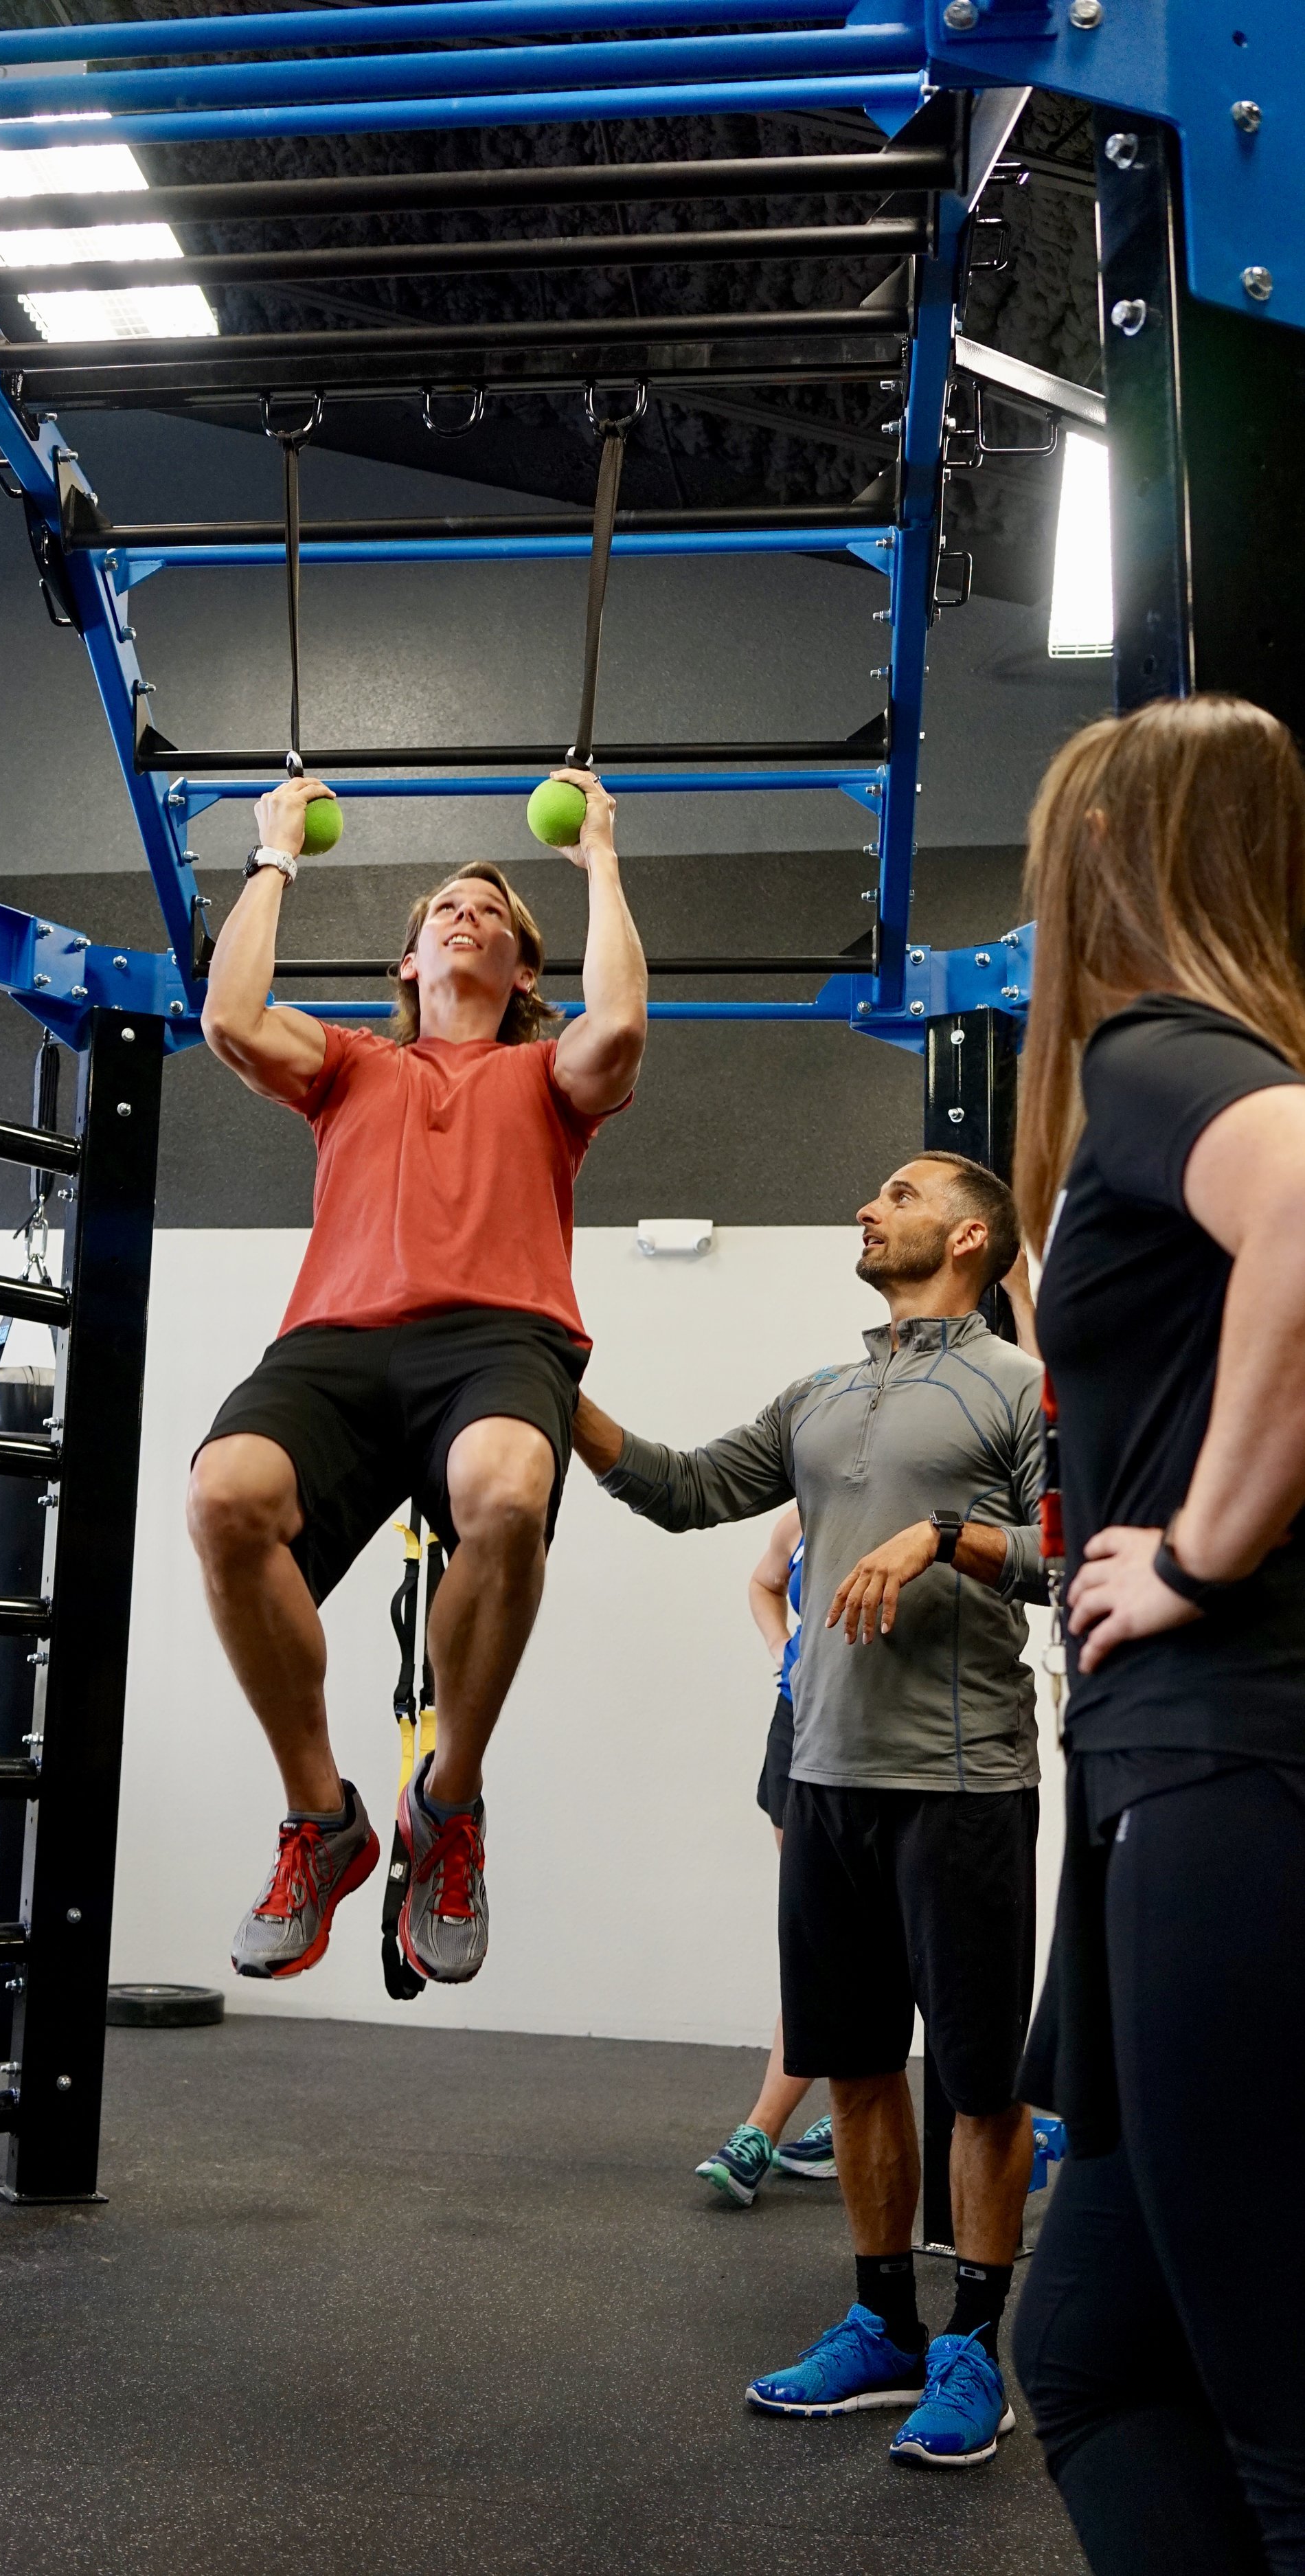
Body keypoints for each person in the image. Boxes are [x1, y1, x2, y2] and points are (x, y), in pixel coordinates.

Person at [573, 1153, 1047, 2468]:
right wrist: (547, 1385)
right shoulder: (822, 1395)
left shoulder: (1015, 1386)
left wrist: (946, 1538)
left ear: (967, 1236)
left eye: (895, 1195)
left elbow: (1072, 1549)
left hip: (963, 1782)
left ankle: (974, 2350)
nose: (865, 1207)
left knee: (977, 2081)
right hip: (826, 1775)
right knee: (852, 2063)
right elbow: (681, 1488)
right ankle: (883, 2321)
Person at [1006, 694, 1305, 2575]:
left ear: (1109, 853)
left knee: (1283, 2427)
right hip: (1166, 1775)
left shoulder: (1152, 1052)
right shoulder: (1192, 1066)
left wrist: (1201, 1542)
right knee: (1095, 2345)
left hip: (1224, 1759)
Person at [188, 768, 646, 1986]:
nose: (470, 914)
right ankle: (321, 1818)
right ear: (405, 963)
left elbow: (625, 1031)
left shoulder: (546, 1081)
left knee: (506, 1493)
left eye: (496, 914)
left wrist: (598, 857)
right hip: (335, 1341)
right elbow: (229, 1016)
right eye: (448, 906)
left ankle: (447, 1805)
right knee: (224, 1494)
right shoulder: (348, 1066)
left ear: (525, 974)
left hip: (498, 1337)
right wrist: (274, 852)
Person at [695, 1500, 837, 2205]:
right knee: (821, 1928)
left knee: (840, 1936)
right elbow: (763, 1583)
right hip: (797, 1722)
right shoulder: (799, 1514)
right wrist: (783, 1647)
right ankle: (850, 2111)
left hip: (873, 1729)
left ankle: (761, 2129)